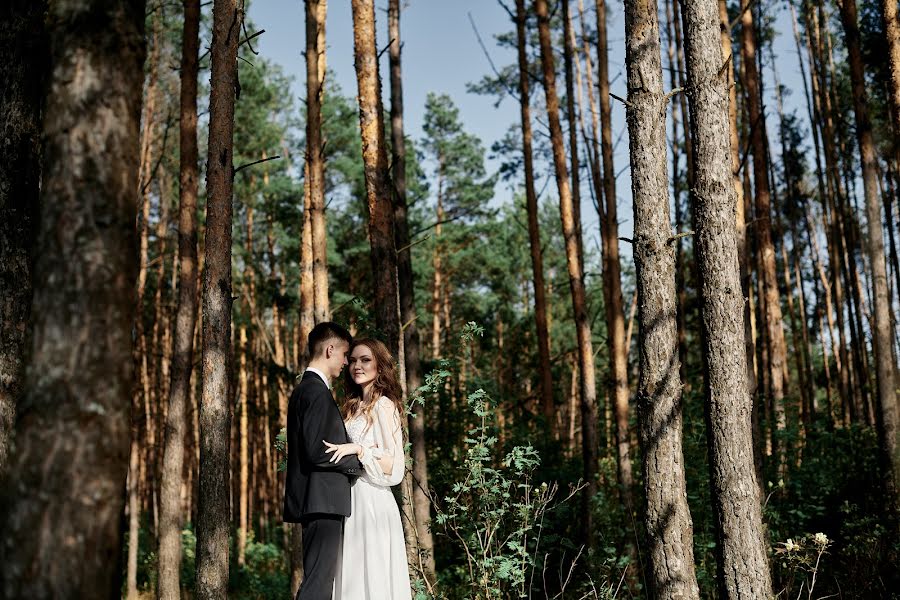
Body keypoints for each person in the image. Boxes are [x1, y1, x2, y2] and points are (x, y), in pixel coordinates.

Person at [324, 338, 412, 600]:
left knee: (372, 572)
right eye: (352, 360)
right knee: (351, 575)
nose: (356, 366)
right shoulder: (351, 407)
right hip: (350, 499)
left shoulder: (384, 406)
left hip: (373, 501)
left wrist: (361, 450)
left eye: (365, 360)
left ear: (380, 366)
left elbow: (395, 465)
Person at [283, 322, 363, 600]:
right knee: (318, 585)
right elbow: (319, 451)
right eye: (344, 355)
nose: (345, 362)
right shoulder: (316, 392)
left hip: (317, 499)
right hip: (322, 500)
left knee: (318, 581)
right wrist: (359, 458)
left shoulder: (307, 389)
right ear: (330, 350)